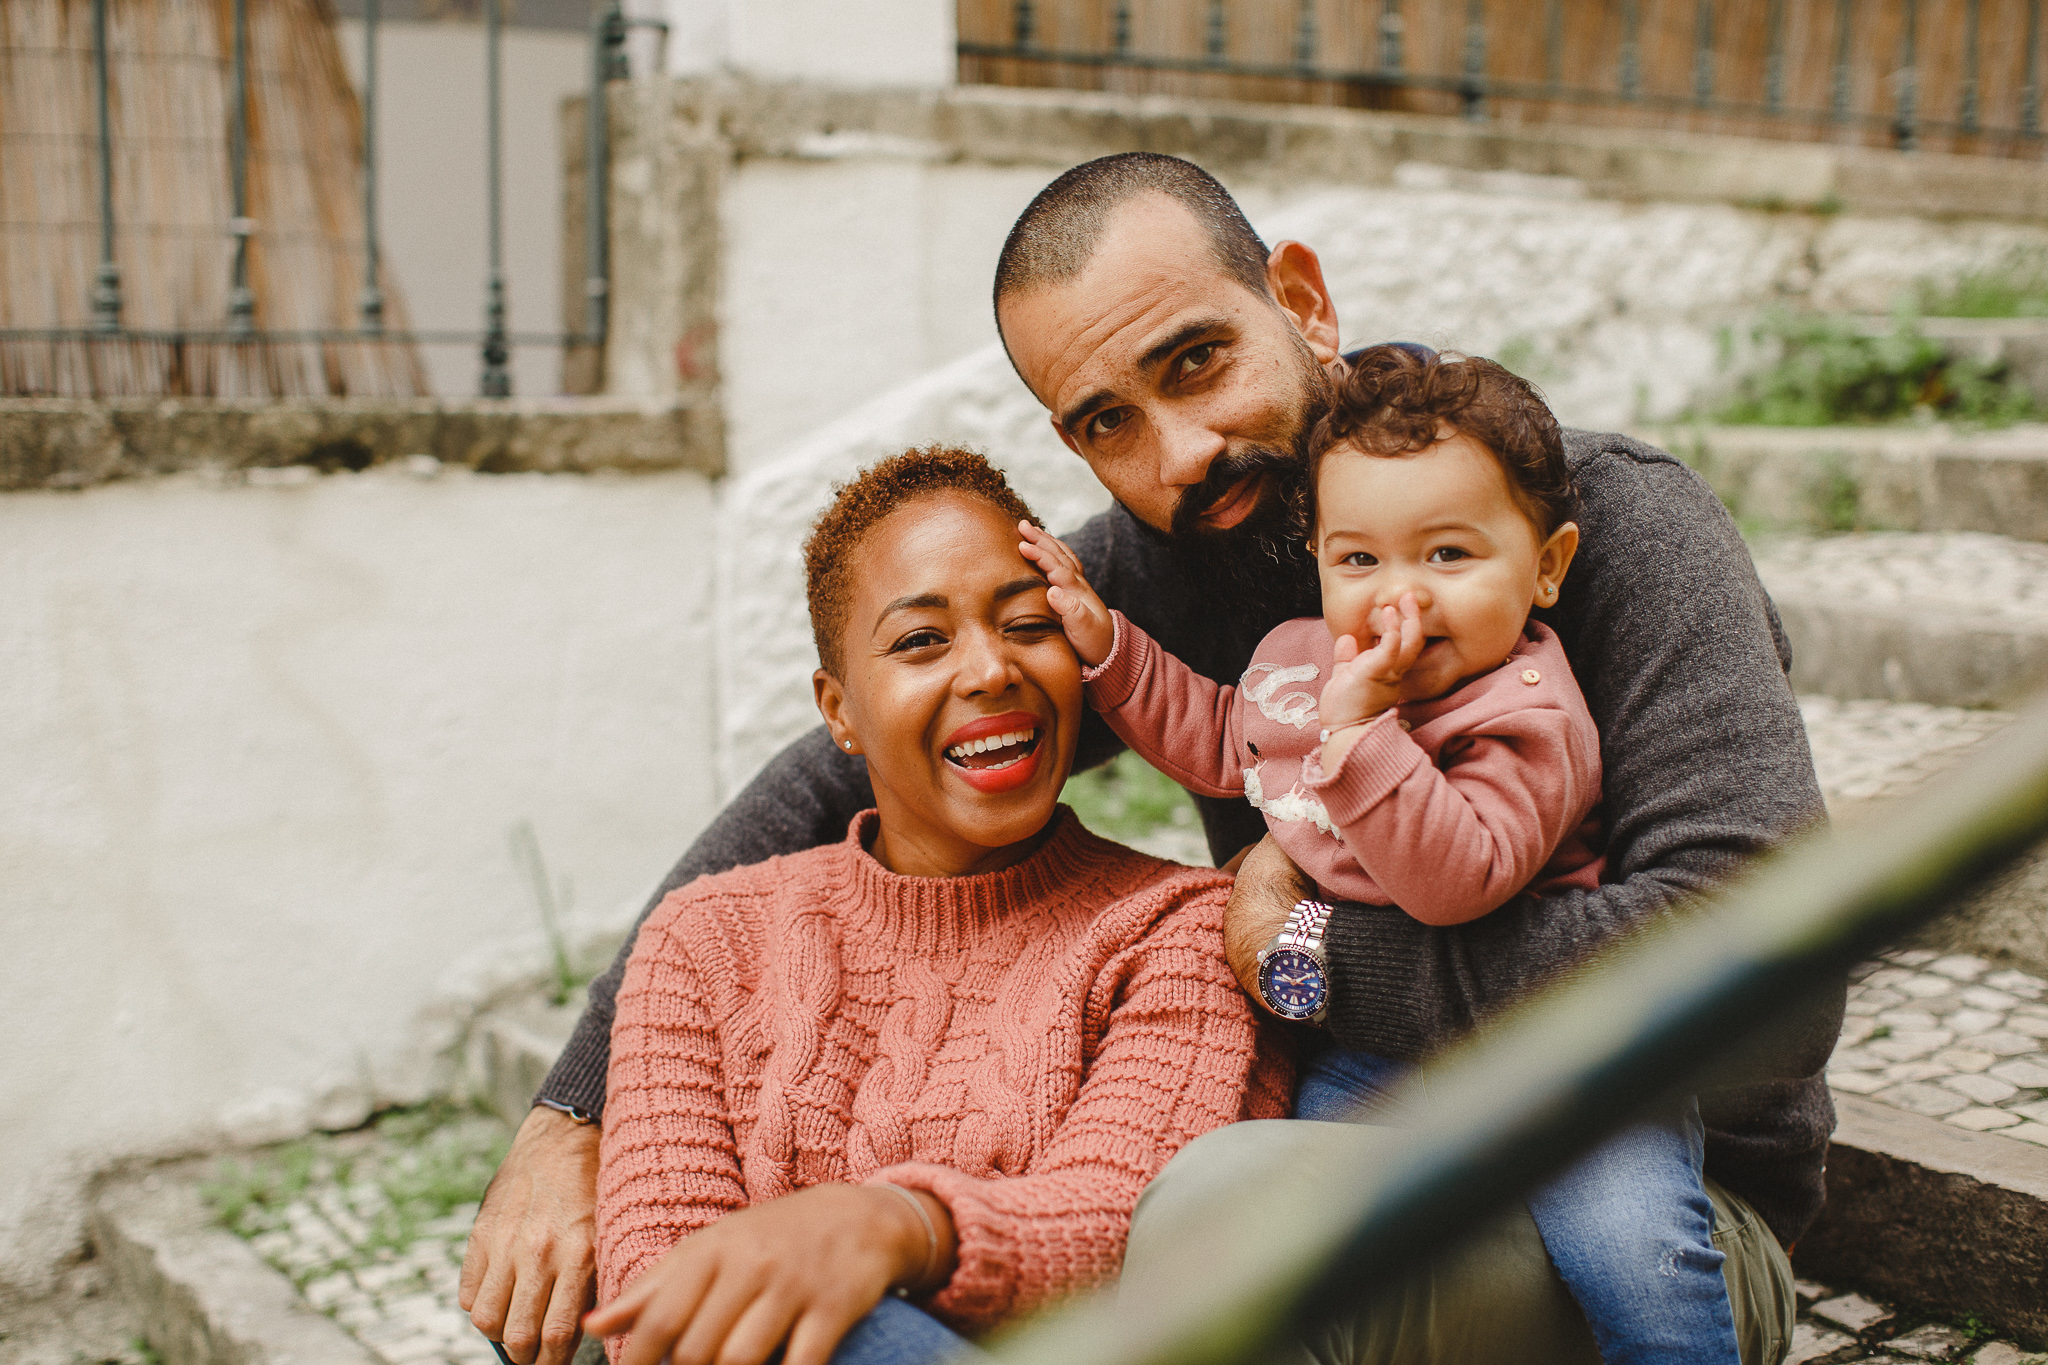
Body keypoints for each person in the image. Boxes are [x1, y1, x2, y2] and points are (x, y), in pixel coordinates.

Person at [462, 152, 1836, 1364]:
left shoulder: (1601, 528)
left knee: (1215, 1215)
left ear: (1300, 299)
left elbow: (1764, 974)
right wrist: (577, 1109)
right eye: (1104, 421)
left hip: (1646, 1198)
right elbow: (843, 773)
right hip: (1356, 1138)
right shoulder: (1174, 564)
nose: (1176, 449)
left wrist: (1308, 954)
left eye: (1196, 361)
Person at [1022, 342, 1745, 1365]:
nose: (1397, 599)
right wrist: (1107, 652)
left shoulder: (1524, 709)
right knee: (1294, 1206)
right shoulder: (1301, 660)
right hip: (1377, 1057)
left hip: (1566, 1059)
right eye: (1358, 561)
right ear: (1317, 557)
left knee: (1640, 1251)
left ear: (1544, 567)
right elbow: (1221, 735)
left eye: (1447, 557)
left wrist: (1359, 740)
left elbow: (1457, 880)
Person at [582, 447, 1291, 1365]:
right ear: (839, 712)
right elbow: (659, 1298)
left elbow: (1131, 1225)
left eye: (1029, 624)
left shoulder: (1181, 928)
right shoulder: (702, 939)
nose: (992, 670)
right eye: (922, 640)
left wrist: (893, 1227)